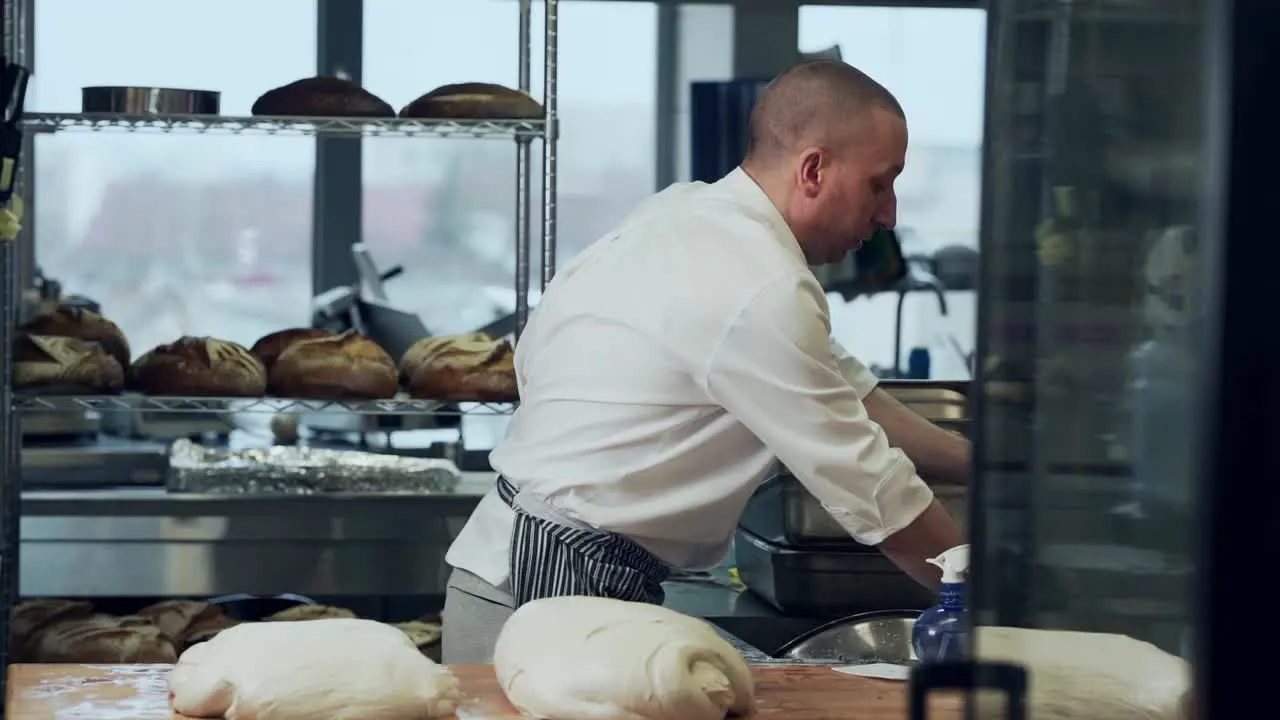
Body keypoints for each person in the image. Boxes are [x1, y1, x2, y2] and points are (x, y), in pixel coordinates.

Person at [441, 60, 969, 663]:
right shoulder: (759, 284)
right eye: (881, 183)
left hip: (541, 583)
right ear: (814, 169)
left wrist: (979, 467)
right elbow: (875, 491)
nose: (889, 215)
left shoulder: (691, 216)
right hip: (542, 597)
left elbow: (850, 393)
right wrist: (987, 603)